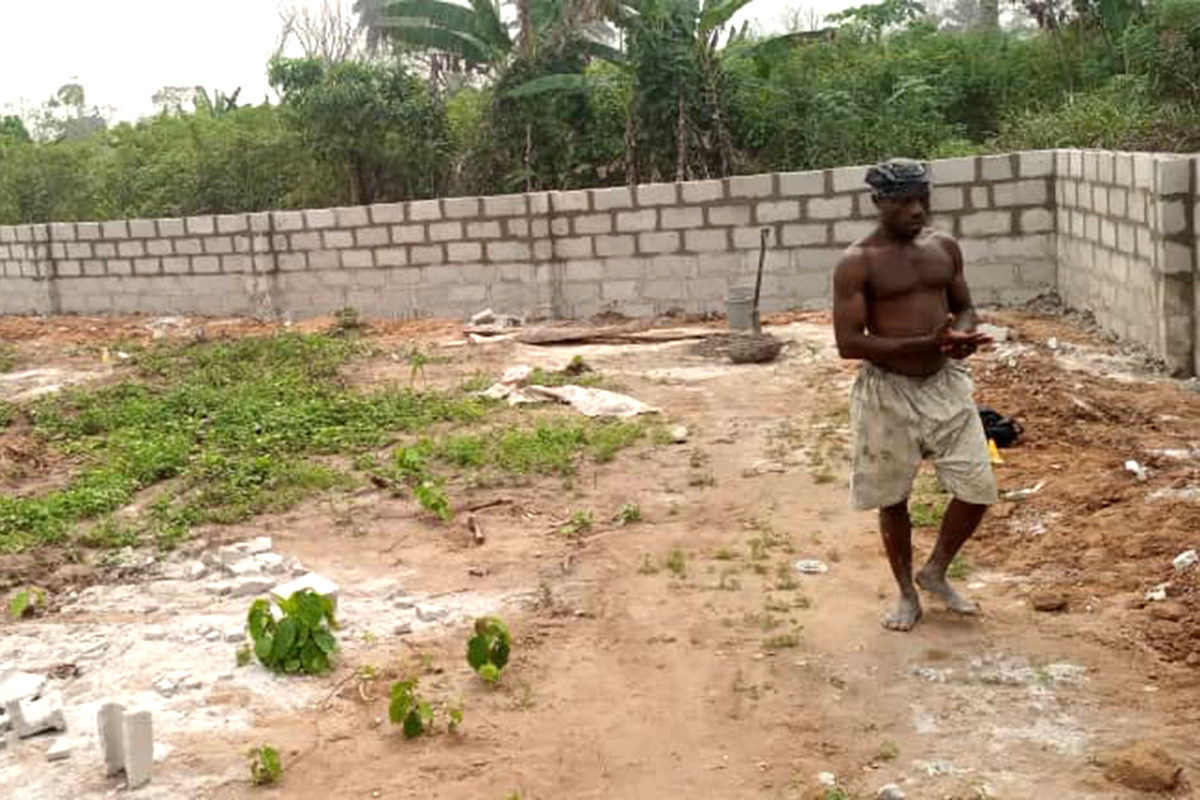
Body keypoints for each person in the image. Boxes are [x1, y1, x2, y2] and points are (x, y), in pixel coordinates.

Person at [831, 159, 998, 632]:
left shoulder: (944, 247)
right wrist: (924, 344)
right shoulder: (857, 261)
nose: (916, 210)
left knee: (977, 487)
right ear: (878, 202)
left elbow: (964, 307)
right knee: (894, 497)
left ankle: (936, 570)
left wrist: (960, 337)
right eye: (904, 201)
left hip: (943, 385)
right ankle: (906, 593)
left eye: (922, 199)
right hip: (887, 392)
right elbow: (850, 344)